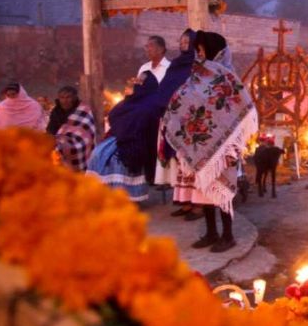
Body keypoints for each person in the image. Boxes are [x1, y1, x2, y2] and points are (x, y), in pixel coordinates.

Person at [163, 30, 258, 253]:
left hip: (225, 147)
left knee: (221, 190)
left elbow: (242, 108)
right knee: (203, 189)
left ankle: (227, 235)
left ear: (215, 50)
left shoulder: (227, 77)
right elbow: (186, 100)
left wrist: (231, 140)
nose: (199, 53)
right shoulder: (197, 74)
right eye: (197, 50)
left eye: (202, 49)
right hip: (201, 144)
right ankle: (211, 232)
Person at [148, 29, 201, 218]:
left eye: (187, 41)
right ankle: (185, 201)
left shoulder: (199, 65)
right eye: (182, 41)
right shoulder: (177, 64)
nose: (184, 44)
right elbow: (166, 88)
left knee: (192, 163)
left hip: (192, 121)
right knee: (179, 163)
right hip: (173, 119)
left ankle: (199, 204)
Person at [87, 72, 159, 202]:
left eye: (141, 81)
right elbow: (114, 116)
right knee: (98, 154)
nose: (136, 83)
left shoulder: (151, 104)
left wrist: (124, 133)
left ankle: (124, 198)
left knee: (116, 160)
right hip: (119, 137)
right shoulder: (130, 101)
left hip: (136, 141)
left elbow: (144, 127)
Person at [49, 86, 97, 172]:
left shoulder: (83, 110)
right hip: (58, 145)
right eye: (62, 98)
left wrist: (67, 142)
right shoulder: (56, 112)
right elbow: (51, 129)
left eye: (68, 97)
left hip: (78, 145)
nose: (65, 101)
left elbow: (86, 132)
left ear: (74, 97)